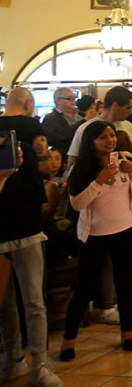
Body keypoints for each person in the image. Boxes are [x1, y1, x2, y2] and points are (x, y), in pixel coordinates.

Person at [59, 121, 132, 361]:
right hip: (93, 236)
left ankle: (127, 333)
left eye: (111, 135)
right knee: (85, 287)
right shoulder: (81, 168)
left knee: (126, 284)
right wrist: (99, 180)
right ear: (91, 143)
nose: (110, 140)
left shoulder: (124, 159)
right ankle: (69, 340)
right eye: (103, 137)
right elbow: (77, 204)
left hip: (126, 231)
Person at [0, 88, 61, 387]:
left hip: (2, 221)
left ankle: (13, 360)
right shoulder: (33, 127)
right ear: (27, 104)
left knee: (5, 302)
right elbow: (47, 166)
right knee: (34, 300)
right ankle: (40, 365)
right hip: (25, 221)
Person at [67, 87, 132, 168]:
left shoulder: (127, 125)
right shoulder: (86, 127)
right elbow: (72, 162)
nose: (131, 112)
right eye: (128, 107)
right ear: (115, 105)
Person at [42, 87, 79, 166]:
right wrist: (82, 123)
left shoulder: (79, 116)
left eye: (74, 99)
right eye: (69, 99)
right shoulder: (50, 118)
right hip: (63, 161)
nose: (73, 102)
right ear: (57, 100)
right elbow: (60, 135)